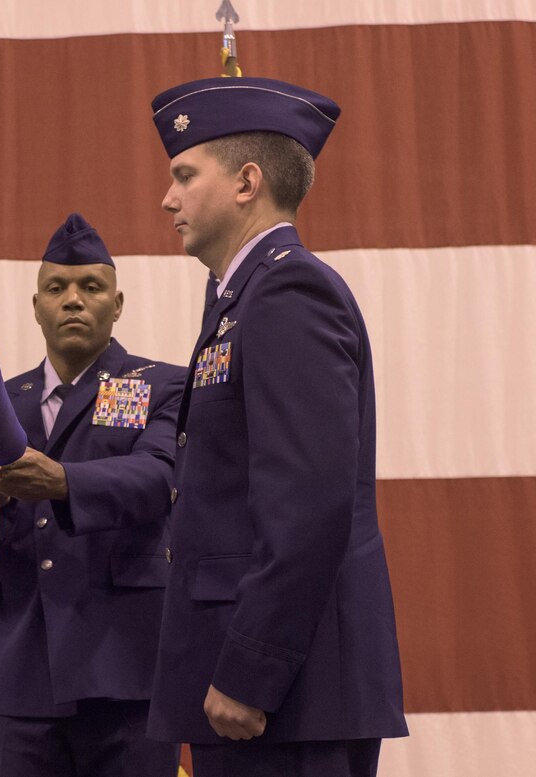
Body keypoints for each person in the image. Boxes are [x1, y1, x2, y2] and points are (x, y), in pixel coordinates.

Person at [144, 78, 409, 776]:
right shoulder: (244, 297)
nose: (167, 199)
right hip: (272, 693)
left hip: (287, 697)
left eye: (183, 175)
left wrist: (250, 670)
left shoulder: (288, 291)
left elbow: (309, 500)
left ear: (247, 181)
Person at [0, 213, 186, 776]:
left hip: (127, 671)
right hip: (20, 675)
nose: (74, 300)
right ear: (36, 305)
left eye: (91, 287)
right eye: (58, 288)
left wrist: (63, 483)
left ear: (117, 305)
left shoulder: (161, 385)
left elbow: (160, 478)